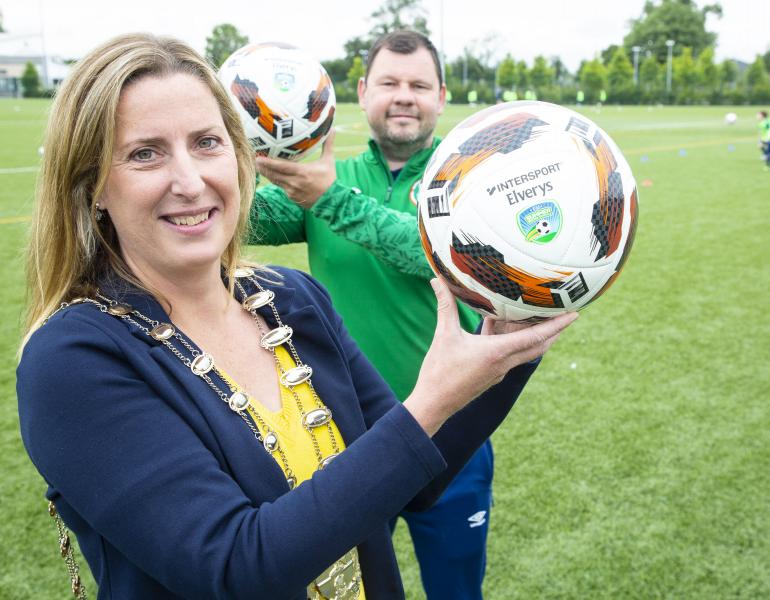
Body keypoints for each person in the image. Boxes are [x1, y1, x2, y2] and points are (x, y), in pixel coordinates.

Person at [16, 33, 577, 600]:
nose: (189, 182)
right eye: (145, 153)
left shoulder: (293, 299)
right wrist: (430, 400)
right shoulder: (72, 360)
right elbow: (235, 568)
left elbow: (415, 484)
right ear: (92, 188)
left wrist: (513, 334)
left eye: (208, 142)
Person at [251, 30, 494, 599]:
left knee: (457, 591)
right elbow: (239, 221)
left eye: (418, 85)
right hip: (346, 443)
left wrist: (329, 198)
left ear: (441, 97)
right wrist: (239, 152)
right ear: (362, 92)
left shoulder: (468, 179)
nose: (403, 96)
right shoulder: (323, 179)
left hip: (453, 434)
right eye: (389, 83)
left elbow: (437, 252)